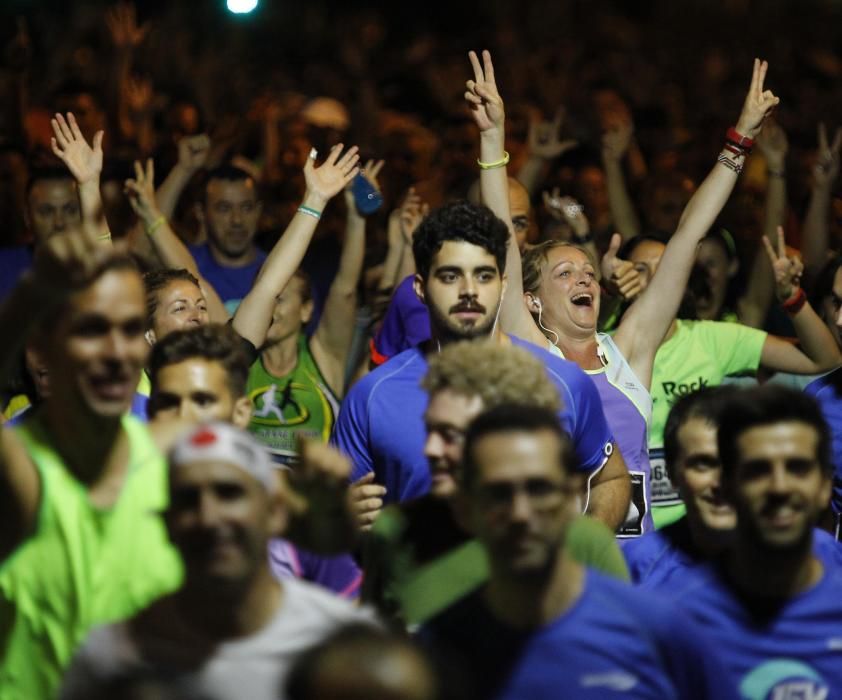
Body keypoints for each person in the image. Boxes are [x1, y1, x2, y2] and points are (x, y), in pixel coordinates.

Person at [496, 56, 780, 536]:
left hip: (642, 568)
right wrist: (492, 140)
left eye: (588, 272)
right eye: (564, 273)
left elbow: (688, 236)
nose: (584, 279)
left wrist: (741, 139)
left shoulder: (625, 351)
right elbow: (501, 238)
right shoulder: (531, 352)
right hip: (562, 567)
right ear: (531, 301)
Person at [332, 196, 627, 530]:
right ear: (420, 289)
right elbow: (329, 511)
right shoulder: (373, 395)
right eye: (449, 276)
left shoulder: (562, 382)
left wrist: (585, 552)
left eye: (484, 276)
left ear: (503, 286)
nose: (469, 291)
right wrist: (340, 519)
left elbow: (611, 477)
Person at [421, 403, 733, 699]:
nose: (520, 513)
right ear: (463, 508)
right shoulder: (440, 650)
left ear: (575, 494)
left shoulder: (657, 630)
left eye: (539, 488)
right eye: (498, 493)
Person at [60, 422, 376, 700]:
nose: (209, 518)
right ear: (166, 523)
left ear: (275, 513)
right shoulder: (111, 657)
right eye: (188, 500)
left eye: (229, 493)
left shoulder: (342, 644)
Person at [0, 228, 184, 699]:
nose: (116, 352)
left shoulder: (175, 453)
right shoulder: (21, 460)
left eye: (128, 330)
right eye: (91, 330)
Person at [362, 340, 629, 627]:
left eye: (450, 435)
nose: (430, 449)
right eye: (429, 430)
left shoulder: (583, 542)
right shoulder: (396, 531)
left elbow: (623, 652)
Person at [624, 227, 842, 528]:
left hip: (707, 528)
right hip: (635, 536)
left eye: (665, 268)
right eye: (639, 269)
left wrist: (792, 298)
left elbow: (824, 358)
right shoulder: (605, 346)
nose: (654, 280)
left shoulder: (712, 339)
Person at [147, 324, 362, 596]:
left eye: (203, 401)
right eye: (168, 403)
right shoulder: (122, 500)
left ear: (241, 413)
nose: (184, 418)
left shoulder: (284, 504)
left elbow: (349, 611)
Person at [666, 385, 842, 696]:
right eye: (758, 470)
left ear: (825, 486)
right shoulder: (677, 621)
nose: (779, 487)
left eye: (798, 468)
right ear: (729, 485)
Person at [623, 386, 842, 587]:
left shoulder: (824, 554)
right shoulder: (638, 566)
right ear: (672, 473)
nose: (722, 483)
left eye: (737, 464)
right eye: (703, 464)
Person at [247, 161, 380, 464]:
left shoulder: (324, 357)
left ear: (307, 310)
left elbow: (346, 288)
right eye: (267, 298)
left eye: (281, 299)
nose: (270, 308)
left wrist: (357, 216)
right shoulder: (237, 358)